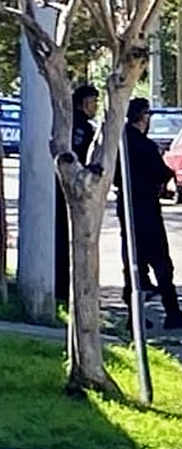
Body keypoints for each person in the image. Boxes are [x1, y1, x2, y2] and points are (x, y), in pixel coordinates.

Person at [114, 98, 182, 330]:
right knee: (161, 263)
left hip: (127, 206)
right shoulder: (143, 145)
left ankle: (135, 317)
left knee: (134, 264)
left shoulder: (119, 142)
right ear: (143, 116)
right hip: (146, 208)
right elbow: (162, 173)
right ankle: (172, 312)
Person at [55, 85, 103, 301]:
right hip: (70, 186)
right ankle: (63, 289)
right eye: (93, 102)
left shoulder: (75, 123)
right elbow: (76, 154)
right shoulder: (79, 126)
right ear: (83, 103)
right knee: (68, 238)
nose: (95, 107)